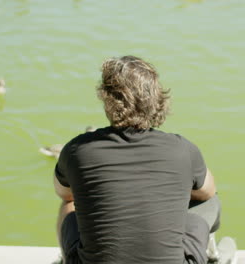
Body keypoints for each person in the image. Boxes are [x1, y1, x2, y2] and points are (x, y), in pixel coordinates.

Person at [54, 55, 221, 264]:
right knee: (210, 202)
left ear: (106, 99)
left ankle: (65, 259)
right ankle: (212, 255)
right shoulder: (183, 150)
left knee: (69, 204)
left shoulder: (77, 150)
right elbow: (207, 192)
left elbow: (64, 193)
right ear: (157, 100)